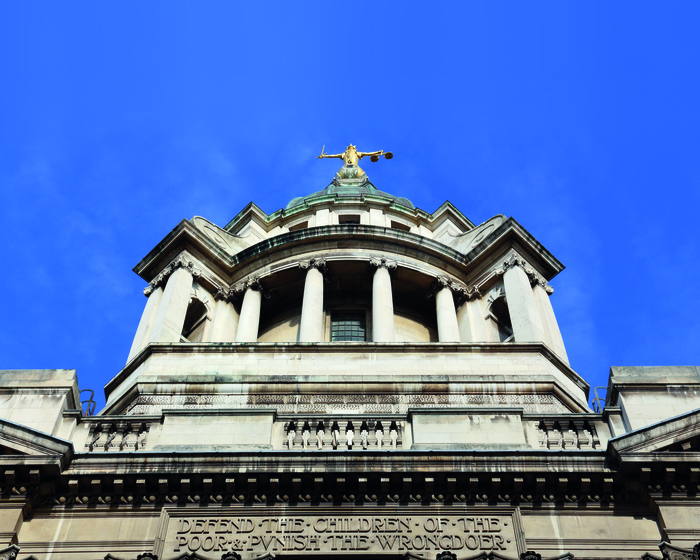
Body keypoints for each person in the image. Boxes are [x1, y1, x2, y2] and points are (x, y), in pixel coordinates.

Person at [317, 145, 389, 180]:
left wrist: (377, 152)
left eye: (352, 147)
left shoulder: (357, 153)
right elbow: (334, 156)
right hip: (345, 169)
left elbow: (368, 153)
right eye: (349, 147)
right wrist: (324, 156)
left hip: (356, 169)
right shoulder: (344, 154)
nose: (351, 148)